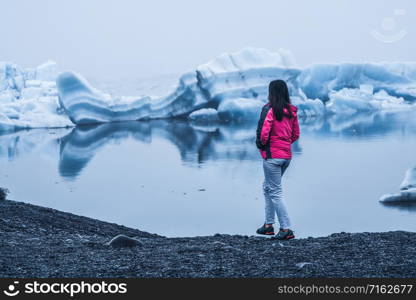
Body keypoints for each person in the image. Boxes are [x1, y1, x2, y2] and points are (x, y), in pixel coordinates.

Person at [255, 79, 300, 240]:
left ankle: (286, 228)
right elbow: (295, 134)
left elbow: (263, 132)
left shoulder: (269, 109)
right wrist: (283, 145)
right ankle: (268, 225)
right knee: (268, 187)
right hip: (286, 156)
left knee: (275, 192)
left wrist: (262, 145)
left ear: (271, 92)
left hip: (272, 156)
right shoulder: (291, 111)